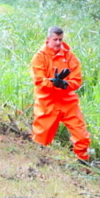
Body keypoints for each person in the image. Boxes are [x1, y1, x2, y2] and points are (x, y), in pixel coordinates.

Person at [30, 26, 90, 162]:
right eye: (55, 39)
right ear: (48, 39)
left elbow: (76, 80)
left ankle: (83, 165)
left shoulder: (70, 57)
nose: (58, 42)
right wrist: (53, 82)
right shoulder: (39, 57)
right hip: (47, 102)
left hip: (68, 102)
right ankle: (38, 163)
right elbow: (39, 81)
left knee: (82, 136)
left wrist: (64, 84)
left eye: (60, 39)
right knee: (41, 138)